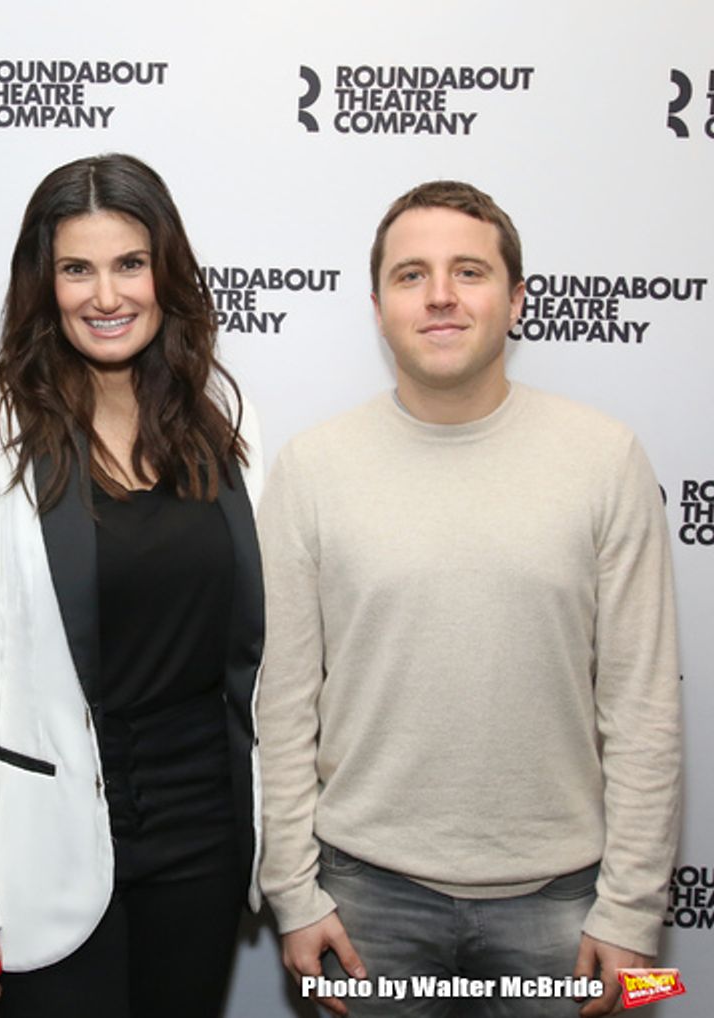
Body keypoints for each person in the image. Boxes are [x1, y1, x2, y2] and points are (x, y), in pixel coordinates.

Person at [257, 180, 680, 1018]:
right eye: (412, 275)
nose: (441, 295)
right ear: (377, 306)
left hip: (566, 906)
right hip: (364, 900)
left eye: (470, 272)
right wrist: (293, 894)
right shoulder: (312, 468)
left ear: (517, 299)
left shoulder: (607, 458)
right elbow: (282, 708)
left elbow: (641, 708)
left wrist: (634, 912)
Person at [0, 153, 264, 1018]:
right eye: (77, 268)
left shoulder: (225, 420)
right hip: (51, 849)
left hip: (205, 834)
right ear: (45, 283)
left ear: (166, 275)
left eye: (129, 265)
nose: (106, 296)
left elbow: (266, 653)